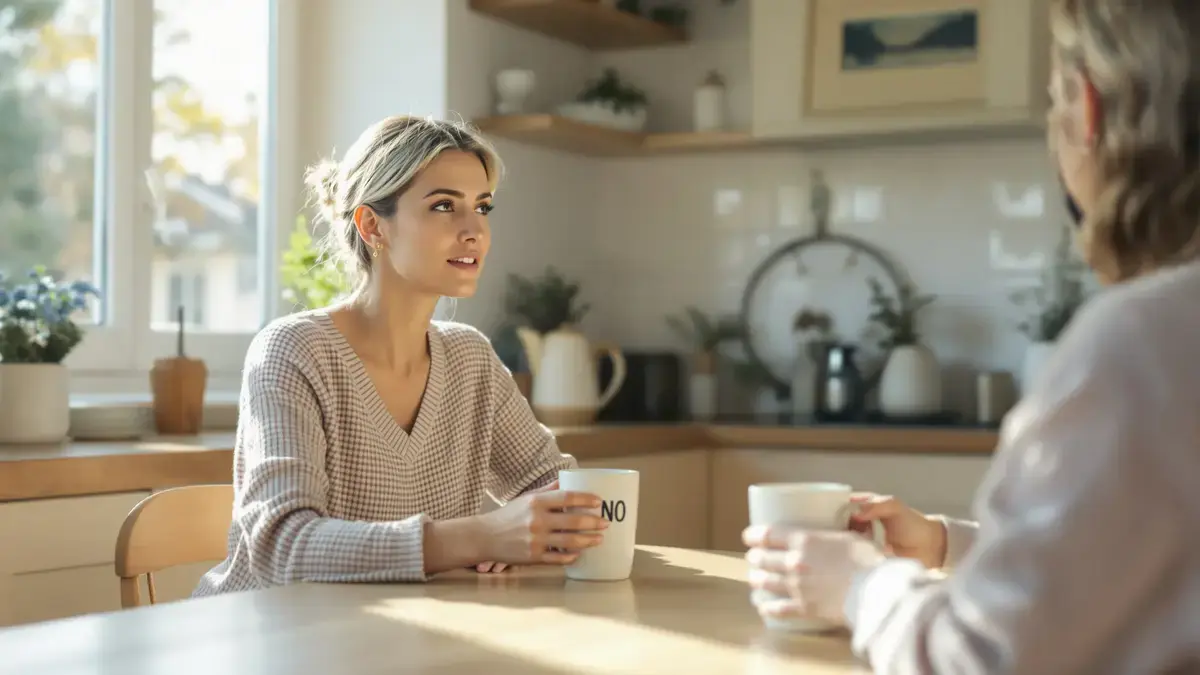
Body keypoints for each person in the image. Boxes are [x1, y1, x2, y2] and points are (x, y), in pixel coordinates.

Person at [743, 0, 1200, 672]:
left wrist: (860, 587)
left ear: (1090, 110)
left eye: (1054, 100)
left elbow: (983, 659)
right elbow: (1138, 567)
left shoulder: (1142, 341)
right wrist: (944, 546)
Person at [194, 116, 606, 596]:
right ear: (373, 226)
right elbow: (283, 547)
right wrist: (480, 537)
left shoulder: (470, 358)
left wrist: (535, 528)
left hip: (402, 639)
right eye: (444, 206)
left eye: (483, 206)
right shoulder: (294, 351)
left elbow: (554, 484)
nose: (474, 230)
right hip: (267, 644)